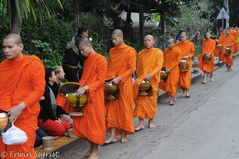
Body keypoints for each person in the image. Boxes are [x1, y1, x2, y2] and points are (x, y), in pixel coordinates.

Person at [56, 38, 107, 159]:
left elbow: (101, 81)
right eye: (81, 51)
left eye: (83, 50)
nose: (82, 53)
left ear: (89, 46)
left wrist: (86, 88)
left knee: (95, 125)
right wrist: (77, 87)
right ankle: (91, 148)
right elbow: (84, 78)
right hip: (85, 95)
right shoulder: (87, 60)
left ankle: (95, 151)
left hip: (95, 96)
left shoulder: (101, 59)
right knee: (85, 125)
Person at [0, 34, 45, 158]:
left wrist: (20, 107)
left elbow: (39, 90)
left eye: (10, 47)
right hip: (4, 115)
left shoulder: (33, 64)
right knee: (4, 149)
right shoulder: (3, 66)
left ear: (20, 46)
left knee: (23, 150)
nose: (6, 50)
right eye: (4, 47)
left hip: (25, 114)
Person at [105, 29, 136, 144]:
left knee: (124, 109)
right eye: (112, 39)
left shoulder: (130, 51)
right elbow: (110, 67)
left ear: (121, 37)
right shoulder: (112, 51)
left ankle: (124, 134)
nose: (113, 41)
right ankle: (112, 135)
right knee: (111, 110)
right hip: (113, 84)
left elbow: (131, 68)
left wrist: (120, 78)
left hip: (124, 84)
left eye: (115, 39)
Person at [134, 35, 163, 130]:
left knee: (152, 101)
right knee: (140, 102)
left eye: (149, 40)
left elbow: (159, 65)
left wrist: (151, 74)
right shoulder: (141, 53)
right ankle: (141, 123)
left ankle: (151, 121)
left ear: (153, 41)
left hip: (152, 81)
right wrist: (138, 78)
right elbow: (138, 67)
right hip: (142, 80)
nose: (147, 42)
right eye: (145, 40)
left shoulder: (158, 52)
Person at [38, 68, 70, 136]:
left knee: (67, 126)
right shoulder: (45, 88)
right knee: (61, 130)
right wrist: (54, 119)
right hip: (44, 117)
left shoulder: (55, 87)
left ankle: (53, 127)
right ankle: (46, 133)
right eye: (54, 75)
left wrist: (57, 117)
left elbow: (57, 105)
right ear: (49, 78)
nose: (56, 76)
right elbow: (47, 107)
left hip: (54, 115)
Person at [159, 38, 181, 105]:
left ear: (174, 43)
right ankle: (173, 95)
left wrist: (170, 68)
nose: (169, 45)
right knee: (165, 84)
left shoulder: (177, 50)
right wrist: (163, 68)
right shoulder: (166, 50)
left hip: (174, 70)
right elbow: (164, 59)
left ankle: (171, 99)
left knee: (172, 84)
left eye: (170, 43)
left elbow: (178, 61)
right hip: (166, 70)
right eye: (168, 43)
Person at [176, 32, 195, 98]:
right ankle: (183, 90)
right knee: (181, 78)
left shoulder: (190, 44)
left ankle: (187, 92)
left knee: (187, 77)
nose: (182, 38)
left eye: (183, 36)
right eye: (181, 36)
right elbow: (176, 53)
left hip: (187, 62)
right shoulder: (177, 44)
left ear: (186, 36)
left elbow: (192, 53)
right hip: (180, 63)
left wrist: (189, 56)